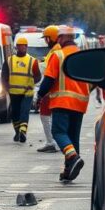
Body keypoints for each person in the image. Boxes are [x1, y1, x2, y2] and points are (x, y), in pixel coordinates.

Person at [35, 25, 92, 183]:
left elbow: (48, 80)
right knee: (73, 137)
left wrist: (39, 96)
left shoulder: (58, 55)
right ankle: (69, 170)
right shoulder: (83, 55)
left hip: (62, 101)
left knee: (59, 132)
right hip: (80, 102)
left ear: (61, 38)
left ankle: (73, 157)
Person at [2, 36, 41, 143]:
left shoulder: (32, 61)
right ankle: (17, 132)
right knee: (15, 114)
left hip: (27, 93)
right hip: (14, 93)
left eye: (23, 46)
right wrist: (6, 87)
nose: (21, 48)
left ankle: (23, 132)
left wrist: (32, 83)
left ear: (26, 47)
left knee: (24, 111)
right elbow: (4, 76)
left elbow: (38, 76)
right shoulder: (9, 60)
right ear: (16, 47)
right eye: (19, 46)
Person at [36, 25, 63, 153]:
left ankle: (51, 142)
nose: (45, 41)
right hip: (57, 89)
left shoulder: (54, 52)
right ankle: (54, 142)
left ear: (51, 37)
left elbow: (49, 72)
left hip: (50, 90)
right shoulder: (59, 50)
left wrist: (41, 93)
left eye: (46, 38)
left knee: (45, 115)